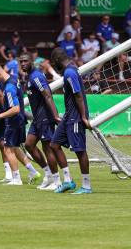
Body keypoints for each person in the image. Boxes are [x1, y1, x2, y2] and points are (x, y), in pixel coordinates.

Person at [0, 62, 41, 186]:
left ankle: (16, 179)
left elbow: (15, 108)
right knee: (15, 148)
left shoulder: (9, 88)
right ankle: (33, 172)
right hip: (19, 120)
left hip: (14, 121)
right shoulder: (13, 79)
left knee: (7, 149)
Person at [49, 47, 92, 194]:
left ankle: (86, 185)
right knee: (54, 144)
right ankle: (68, 181)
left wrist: (83, 116)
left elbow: (78, 95)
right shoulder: (71, 70)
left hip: (76, 117)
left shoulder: (70, 72)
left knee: (80, 151)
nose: (54, 68)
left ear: (56, 61)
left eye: (54, 65)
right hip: (69, 115)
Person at [20, 53, 62, 191]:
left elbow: (47, 95)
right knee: (29, 145)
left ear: (32, 62)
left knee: (47, 148)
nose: (23, 64)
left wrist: (55, 116)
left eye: (25, 61)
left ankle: (57, 181)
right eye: (21, 62)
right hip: (37, 118)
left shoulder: (36, 76)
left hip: (45, 117)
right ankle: (48, 174)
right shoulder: (29, 76)